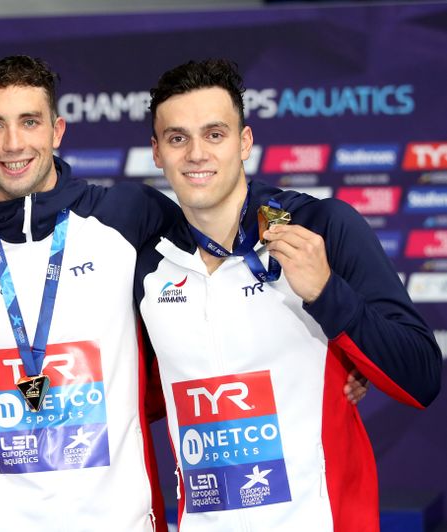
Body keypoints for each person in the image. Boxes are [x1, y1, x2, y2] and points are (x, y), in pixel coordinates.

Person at [135, 58, 442, 531]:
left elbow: (421, 376)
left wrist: (327, 295)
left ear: (244, 142)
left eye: (215, 134)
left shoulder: (322, 226)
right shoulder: (149, 259)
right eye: (178, 138)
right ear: (157, 152)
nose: (197, 153)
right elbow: (141, 391)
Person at [0, 55, 180, 531]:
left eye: (30, 122)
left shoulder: (125, 216)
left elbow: (225, 261)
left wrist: (339, 354)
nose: (13, 143)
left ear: (57, 130)